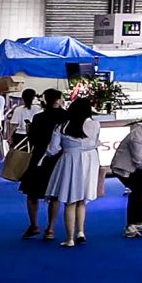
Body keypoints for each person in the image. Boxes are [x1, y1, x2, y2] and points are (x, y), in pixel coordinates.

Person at [45, 95, 103, 248]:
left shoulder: (62, 126)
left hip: (69, 161)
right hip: (89, 161)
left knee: (70, 201)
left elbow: (53, 149)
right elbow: (95, 142)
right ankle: (81, 232)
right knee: (82, 200)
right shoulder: (95, 124)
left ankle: (70, 238)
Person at [19, 91, 67, 241]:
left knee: (32, 193)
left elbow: (32, 139)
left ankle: (34, 225)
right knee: (55, 195)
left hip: (39, 157)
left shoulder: (39, 117)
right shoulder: (66, 116)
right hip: (59, 158)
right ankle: (50, 229)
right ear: (58, 100)